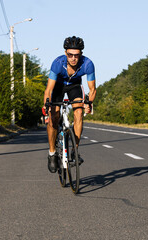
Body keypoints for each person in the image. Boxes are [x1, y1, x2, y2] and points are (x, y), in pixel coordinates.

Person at [43, 36, 96, 173]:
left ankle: (75, 150)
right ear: (65, 53)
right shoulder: (57, 63)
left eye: (76, 55)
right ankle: (52, 153)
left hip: (74, 87)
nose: (73, 58)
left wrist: (89, 103)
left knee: (78, 112)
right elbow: (49, 89)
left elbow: (92, 89)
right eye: (70, 55)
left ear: (81, 55)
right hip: (58, 87)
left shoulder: (87, 64)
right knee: (54, 116)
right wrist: (46, 105)